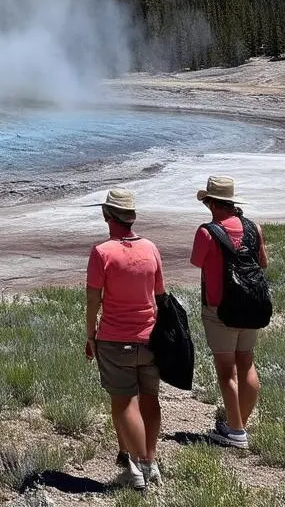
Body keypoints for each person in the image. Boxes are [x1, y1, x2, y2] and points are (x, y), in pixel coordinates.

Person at [85, 189, 164, 490]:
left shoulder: (102, 252)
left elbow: (94, 299)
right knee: (149, 399)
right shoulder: (151, 248)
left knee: (124, 402)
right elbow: (160, 296)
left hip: (115, 338)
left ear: (107, 215)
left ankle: (141, 465)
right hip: (150, 337)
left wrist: (90, 334)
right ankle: (149, 460)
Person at [191, 176, 268, 450]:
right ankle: (239, 423)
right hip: (251, 305)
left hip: (219, 308)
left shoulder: (207, 232)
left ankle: (236, 433)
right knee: (246, 363)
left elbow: (198, 262)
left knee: (226, 372)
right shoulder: (253, 227)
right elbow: (263, 262)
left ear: (212, 203)